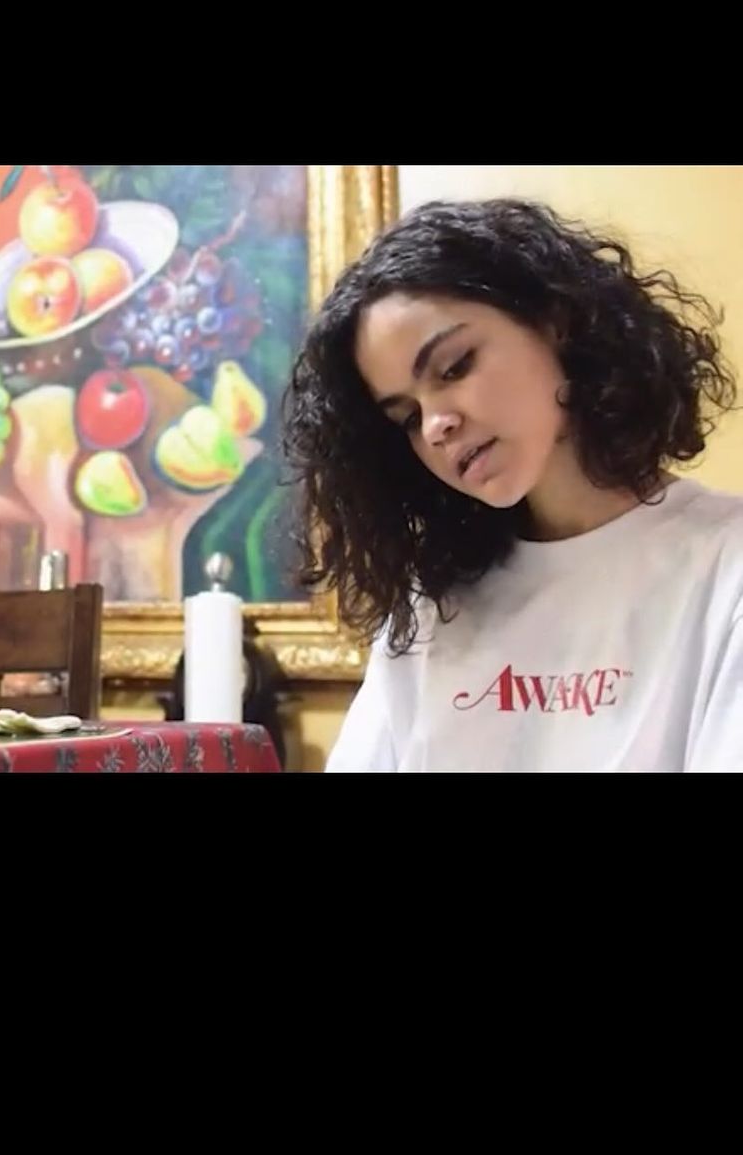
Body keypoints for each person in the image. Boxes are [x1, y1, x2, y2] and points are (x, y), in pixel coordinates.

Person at [282, 198, 742, 773]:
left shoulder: (725, 566)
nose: (436, 425)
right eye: (407, 417)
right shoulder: (433, 606)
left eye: (454, 367)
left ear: (555, 320)